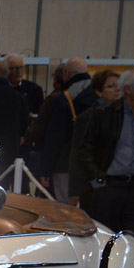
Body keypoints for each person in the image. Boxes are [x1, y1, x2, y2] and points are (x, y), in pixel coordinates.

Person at [73, 68, 134, 237]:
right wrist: (98, 180)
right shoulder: (103, 115)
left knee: (133, 240)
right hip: (108, 188)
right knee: (104, 238)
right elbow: (85, 150)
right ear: (128, 89)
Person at [36, 57, 96, 203]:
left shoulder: (64, 98)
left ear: (66, 74)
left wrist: (45, 169)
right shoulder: (98, 95)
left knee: (65, 207)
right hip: (93, 163)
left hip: (65, 162)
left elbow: (55, 136)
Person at [68, 69, 122, 199]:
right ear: (99, 91)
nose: (117, 89)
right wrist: (74, 192)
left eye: (119, 85)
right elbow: (77, 154)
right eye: (111, 86)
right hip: (93, 184)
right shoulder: (88, 117)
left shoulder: (124, 116)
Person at [5, 54, 45, 118]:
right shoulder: (0, 89)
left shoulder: (35, 90)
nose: (19, 72)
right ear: (6, 70)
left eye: (21, 68)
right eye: (15, 69)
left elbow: (39, 116)